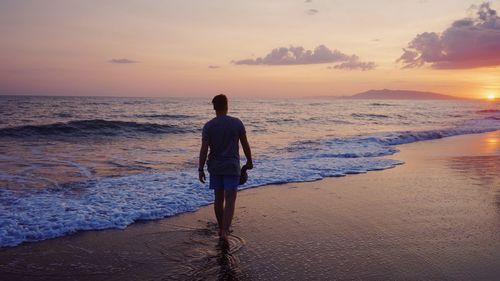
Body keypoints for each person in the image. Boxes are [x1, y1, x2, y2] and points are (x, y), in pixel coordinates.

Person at [198, 94, 253, 240]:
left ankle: (221, 227)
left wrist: (200, 168)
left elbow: (204, 149)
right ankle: (224, 232)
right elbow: (245, 144)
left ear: (214, 107)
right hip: (231, 166)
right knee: (230, 199)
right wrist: (249, 160)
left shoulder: (209, 126)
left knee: (218, 198)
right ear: (227, 106)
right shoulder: (237, 123)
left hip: (215, 167)